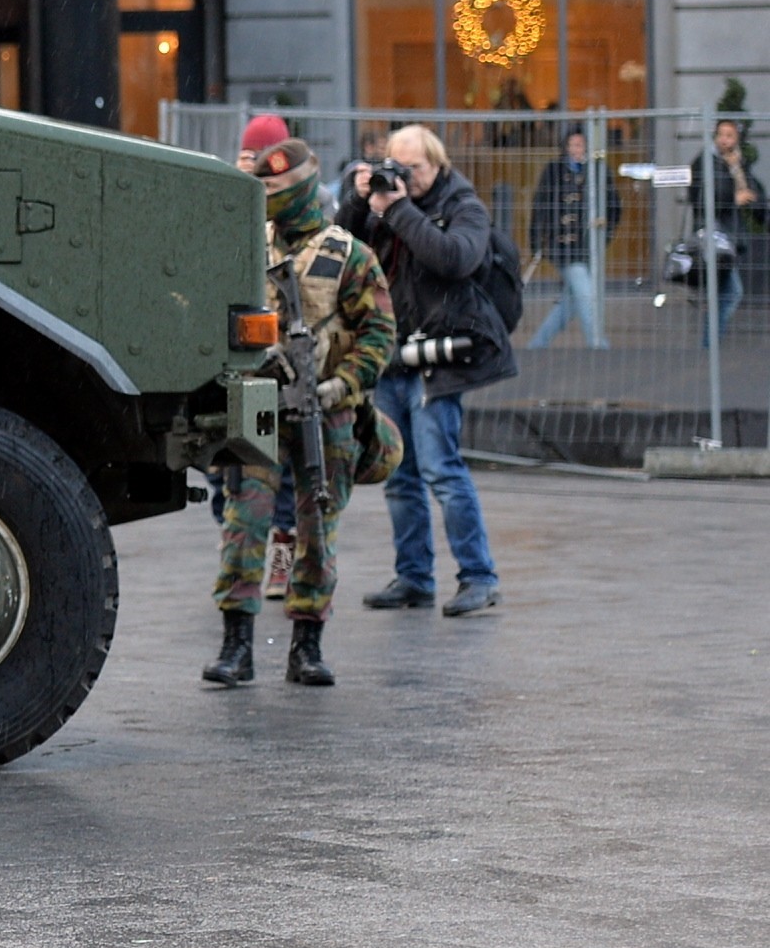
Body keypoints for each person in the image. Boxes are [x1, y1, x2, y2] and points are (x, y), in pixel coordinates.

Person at [204, 139, 396, 689]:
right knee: (245, 522)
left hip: (326, 412)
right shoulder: (249, 248)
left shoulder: (350, 255)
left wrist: (344, 384)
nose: (269, 199)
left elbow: (380, 332)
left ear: (304, 192)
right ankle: (237, 645)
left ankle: (306, 645)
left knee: (317, 528)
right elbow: (216, 314)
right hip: (259, 406)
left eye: (278, 190)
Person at [337, 124, 512, 617]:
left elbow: (454, 259)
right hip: (392, 356)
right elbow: (340, 251)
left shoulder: (463, 207)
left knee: (442, 470)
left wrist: (398, 209)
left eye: (414, 167)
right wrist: (358, 203)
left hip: (440, 359)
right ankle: (413, 577)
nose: (405, 176)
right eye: (397, 166)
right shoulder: (383, 205)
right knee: (399, 474)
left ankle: (479, 577)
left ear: (438, 165)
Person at [524, 128, 620, 350]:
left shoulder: (598, 170)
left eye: (580, 145)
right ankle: (599, 346)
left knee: (571, 302)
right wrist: (537, 239)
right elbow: (540, 205)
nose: (577, 150)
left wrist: (604, 234)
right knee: (585, 295)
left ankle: (536, 345)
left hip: (589, 246)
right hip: (562, 247)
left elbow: (615, 206)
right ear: (565, 147)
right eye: (573, 145)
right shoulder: (553, 170)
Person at [691, 118, 758, 345]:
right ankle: (710, 344)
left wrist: (737, 169)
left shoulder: (736, 163)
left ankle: (710, 344)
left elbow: (753, 193)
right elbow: (701, 198)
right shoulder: (705, 161)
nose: (724, 140)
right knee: (731, 293)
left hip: (729, 237)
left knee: (723, 293)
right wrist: (733, 199)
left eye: (730, 135)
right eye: (721, 134)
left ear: (737, 139)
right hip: (713, 237)